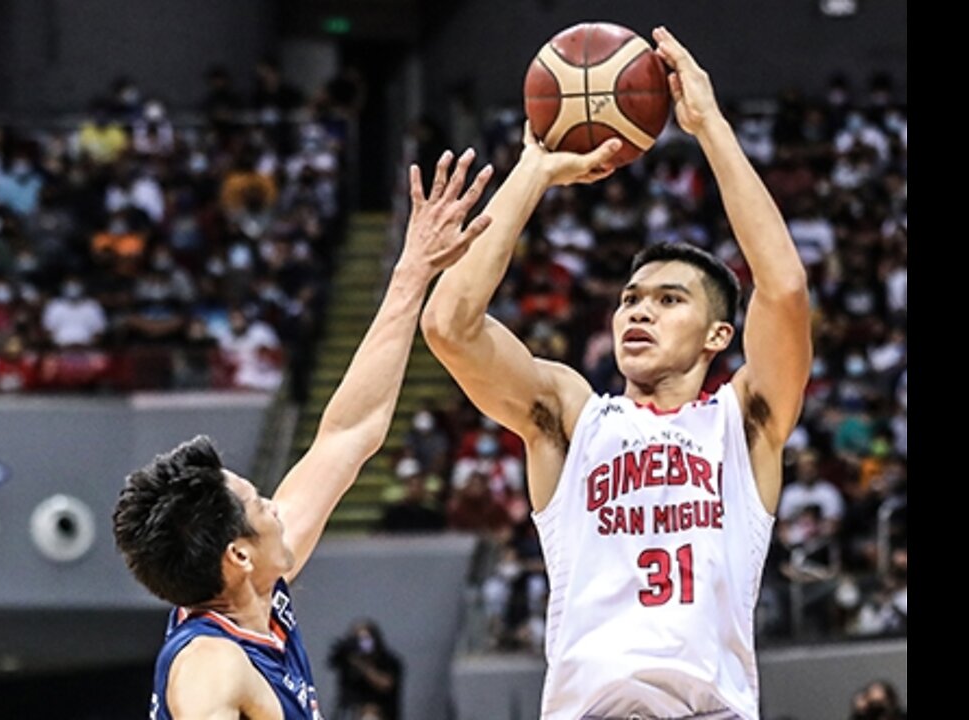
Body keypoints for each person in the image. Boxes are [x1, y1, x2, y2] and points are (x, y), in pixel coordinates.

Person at [421, 27, 811, 719]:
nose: (638, 312)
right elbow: (449, 326)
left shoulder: (742, 421)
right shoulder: (574, 417)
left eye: (668, 301)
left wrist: (710, 128)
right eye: (631, 299)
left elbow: (782, 291)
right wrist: (534, 170)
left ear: (719, 335)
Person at [113, 149, 494, 720]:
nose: (273, 505)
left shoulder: (259, 593)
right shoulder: (210, 662)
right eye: (259, 502)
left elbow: (349, 433)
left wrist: (412, 273)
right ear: (238, 554)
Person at [327, 620, 403, 720]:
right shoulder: (349, 663)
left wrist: (361, 665)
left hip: (383, 713)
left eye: (365, 640)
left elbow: (386, 684)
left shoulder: (388, 661)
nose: (361, 644)